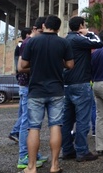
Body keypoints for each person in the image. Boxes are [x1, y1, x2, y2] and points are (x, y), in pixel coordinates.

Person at [19, 15, 74, 173]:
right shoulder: (63, 42)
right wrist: (59, 62)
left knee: (34, 128)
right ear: (58, 28)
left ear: (43, 25)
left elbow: (22, 65)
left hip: (36, 90)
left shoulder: (32, 41)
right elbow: (70, 64)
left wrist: (35, 65)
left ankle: (31, 167)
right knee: (56, 125)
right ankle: (55, 165)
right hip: (56, 90)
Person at [61, 16, 103, 162]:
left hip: (67, 84)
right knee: (82, 119)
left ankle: (67, 149)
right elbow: (99, 43)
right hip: (81, 82)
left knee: (67, 120)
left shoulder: (65, 40)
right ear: (80, 26)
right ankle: (82, 151)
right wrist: (89, 33)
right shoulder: (78, 39)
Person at [13, 20, 49, 170]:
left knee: (31, 122)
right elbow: (21, 67)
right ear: (35, 29)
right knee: (27, 122)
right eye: (41, 32)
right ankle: (23, 156)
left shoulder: (32, 42)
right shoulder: (28, 43)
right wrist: (39, 67)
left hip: (31, 86)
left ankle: (32, 154)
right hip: (28, 86)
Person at [9, 28, 31, 144]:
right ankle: (15, 131)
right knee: (25, 114)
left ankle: (17, 132)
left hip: (22, 82)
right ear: (27, 34)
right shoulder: (22, 46)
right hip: (25, 82)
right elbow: (20, 66)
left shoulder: (20, 46)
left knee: (22, 111)